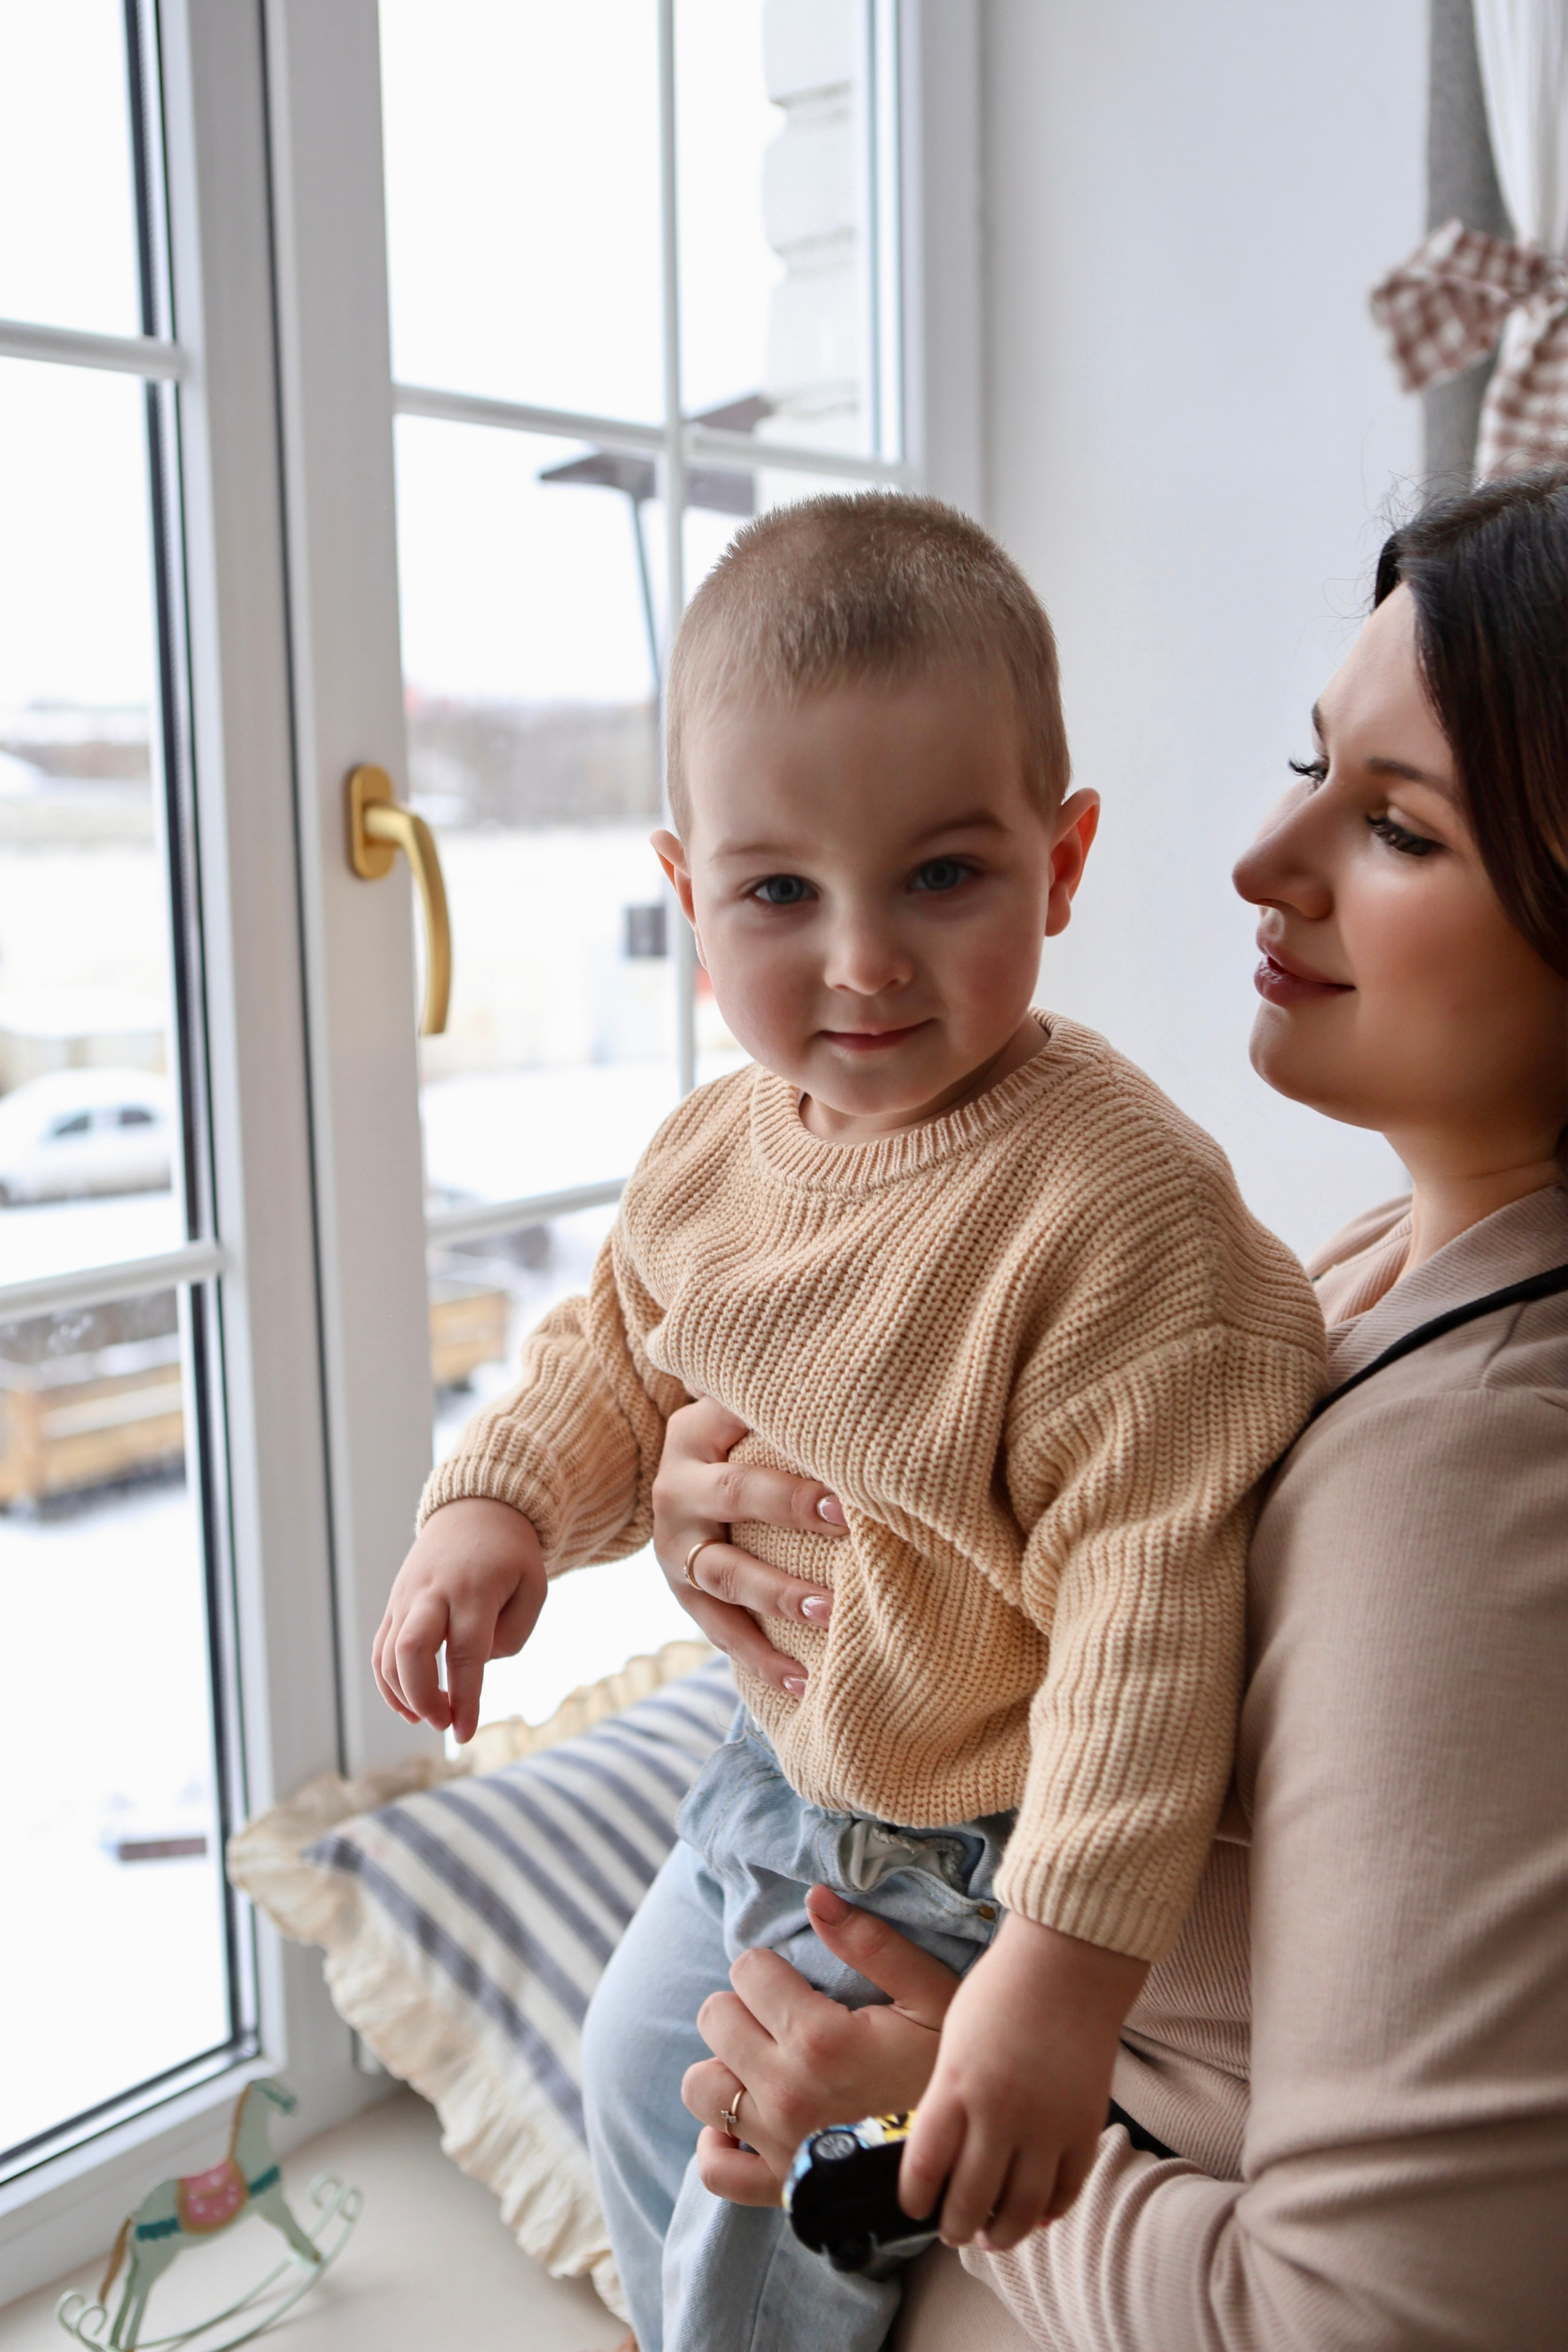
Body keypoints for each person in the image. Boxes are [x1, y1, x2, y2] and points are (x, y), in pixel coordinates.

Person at [371, 492, 1325, 2351]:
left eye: (943, 877)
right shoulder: (716, 1152)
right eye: (782, 895)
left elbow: (1150, 1629)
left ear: (1063, 863)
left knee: (761, 2191)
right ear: (688, 897)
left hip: (991, 1844)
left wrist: (1050, 1982)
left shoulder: (1114, 1212)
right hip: (780, 1778)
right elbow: (612, 1354)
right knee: (635, 2050)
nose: (865, 961)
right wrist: (485, 1514)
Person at [652, 467, 1568, 2349]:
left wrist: (898, 2119)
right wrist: (720, 1519)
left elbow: (1363, 2322)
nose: (1261, 856)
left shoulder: (1471, 1484)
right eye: (1311, 760)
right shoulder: (1390, 1258)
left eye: (1393, 827)